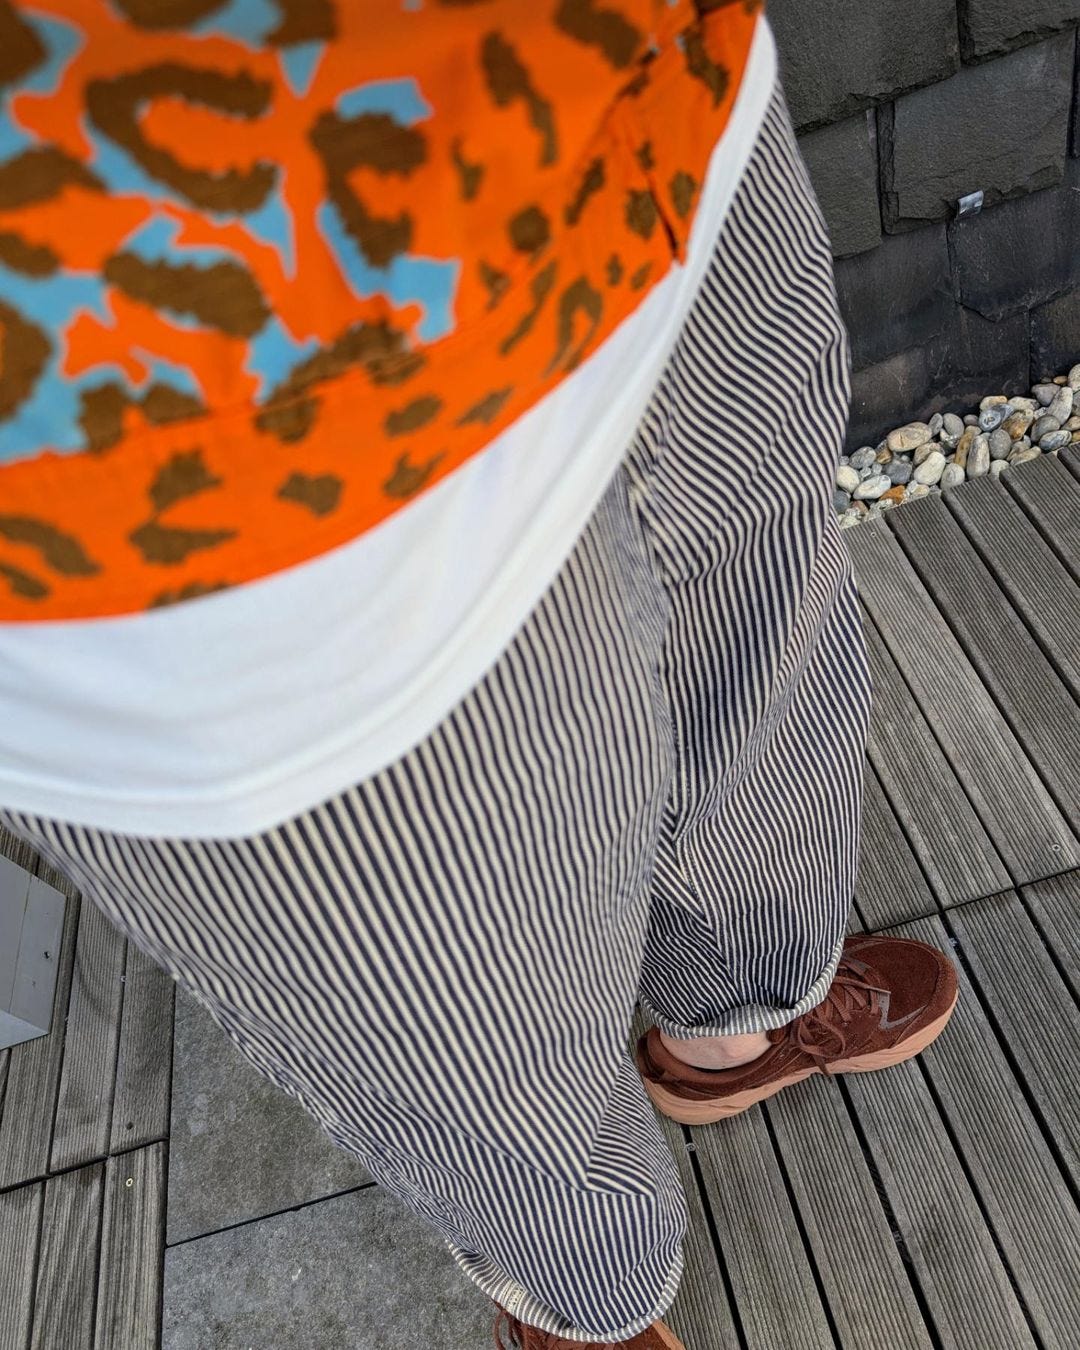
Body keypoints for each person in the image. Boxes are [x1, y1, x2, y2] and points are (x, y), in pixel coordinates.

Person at [0, 2, 958, 1345]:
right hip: (179, 418)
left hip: (642, 113)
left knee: (767, 620)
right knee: (455, 996)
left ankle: (734, 1025)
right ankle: (586, 1297)